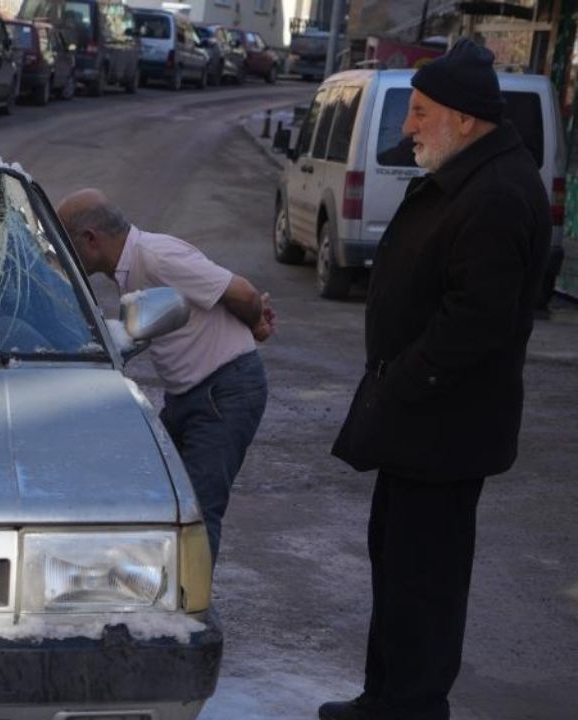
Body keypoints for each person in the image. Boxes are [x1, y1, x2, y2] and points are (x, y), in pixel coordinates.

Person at [324, 39, 550, 720]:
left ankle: (412, 707)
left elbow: (475, 323)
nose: (408, 126)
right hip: (417, 427)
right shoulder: (474, 173)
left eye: (420, 112)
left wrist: (404, 381)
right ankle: (383, 698)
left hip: (443, 428)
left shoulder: (499, 193)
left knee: (425, 581)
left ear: (465, 118)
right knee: (397, 569)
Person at [57, 189, 274, 562]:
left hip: (225, 392)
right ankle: (158, 596)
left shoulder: (157, 256)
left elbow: (243, 292)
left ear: (90, 239)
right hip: (188, 397)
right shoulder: (131, 267)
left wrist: (256, 323)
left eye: (65, 243)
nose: (61, 255)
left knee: (197, 513)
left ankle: (191, 615)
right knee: (158, 496)